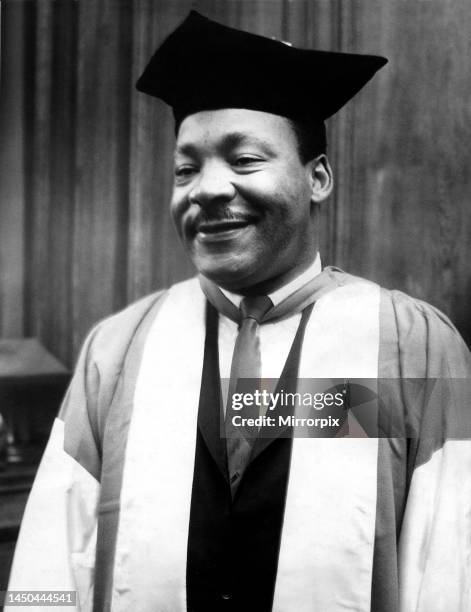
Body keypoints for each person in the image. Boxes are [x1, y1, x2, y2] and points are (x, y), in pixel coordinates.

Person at [7, 11, 471, 612]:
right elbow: (48, 569)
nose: (205, 189)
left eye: (245, 160)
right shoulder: (120, 352)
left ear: (318, 179)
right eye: (185, 168)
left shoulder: (409, 346)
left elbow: (450, 565)